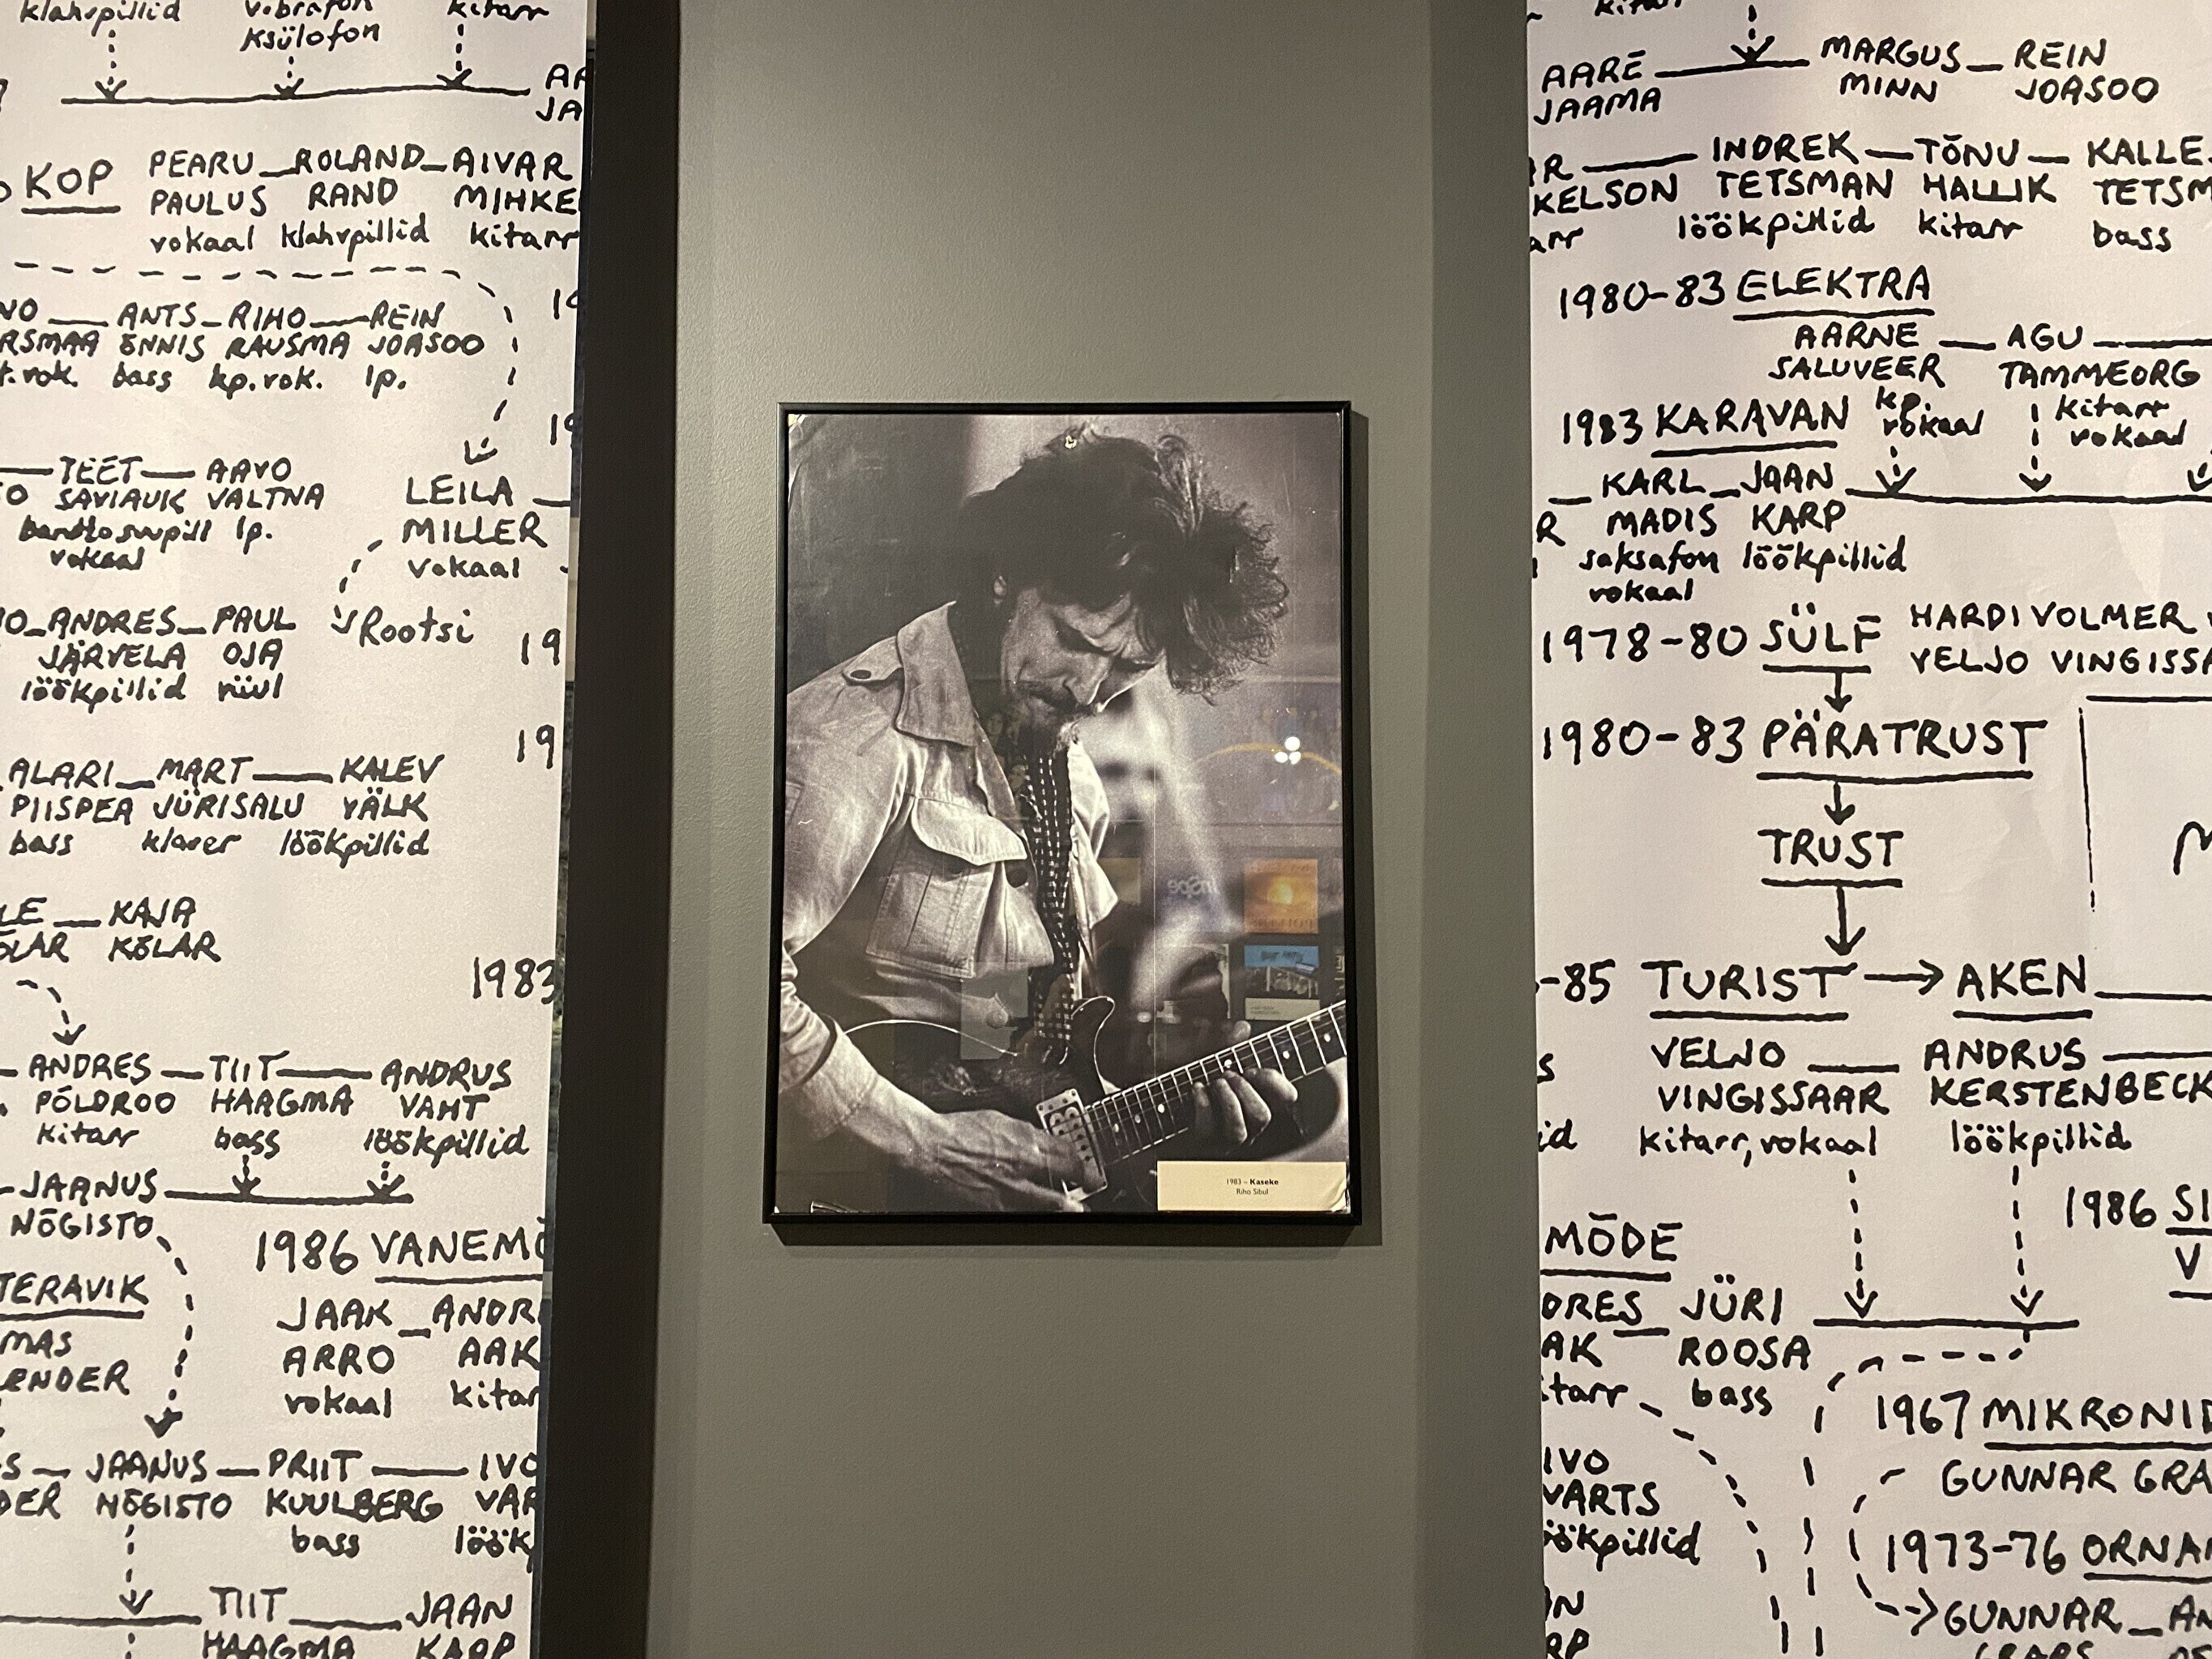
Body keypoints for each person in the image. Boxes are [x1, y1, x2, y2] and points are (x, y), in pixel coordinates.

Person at [776, 424, 1297, 1211]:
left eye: (1128, 667)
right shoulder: (846, 741)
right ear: (1003, 579)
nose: (1090, 691)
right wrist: (931, 1144)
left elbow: (1026, 1021)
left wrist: (1178, 1069)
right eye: (1075, 640)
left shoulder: (1070, 773)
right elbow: (738, 993)